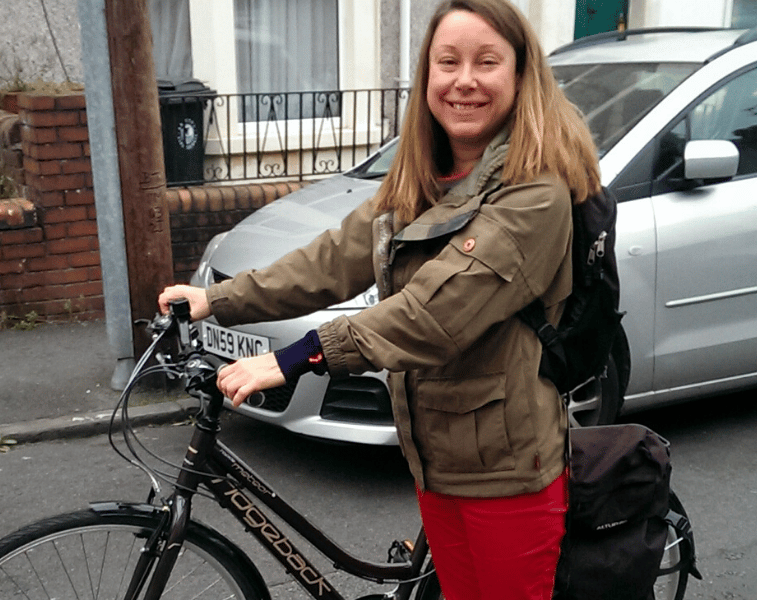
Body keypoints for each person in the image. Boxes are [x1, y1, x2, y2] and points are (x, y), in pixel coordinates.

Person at [158, 1, 601, 597]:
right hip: (434, 454)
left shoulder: (536, 192)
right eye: (448, 61)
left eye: (486, 61)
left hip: (507, 470)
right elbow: (334, 257)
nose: (464, 80)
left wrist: (295, 358)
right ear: (427, 78)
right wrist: (217, 299)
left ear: (520, 77)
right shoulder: (423, 176)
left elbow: (430, 315)